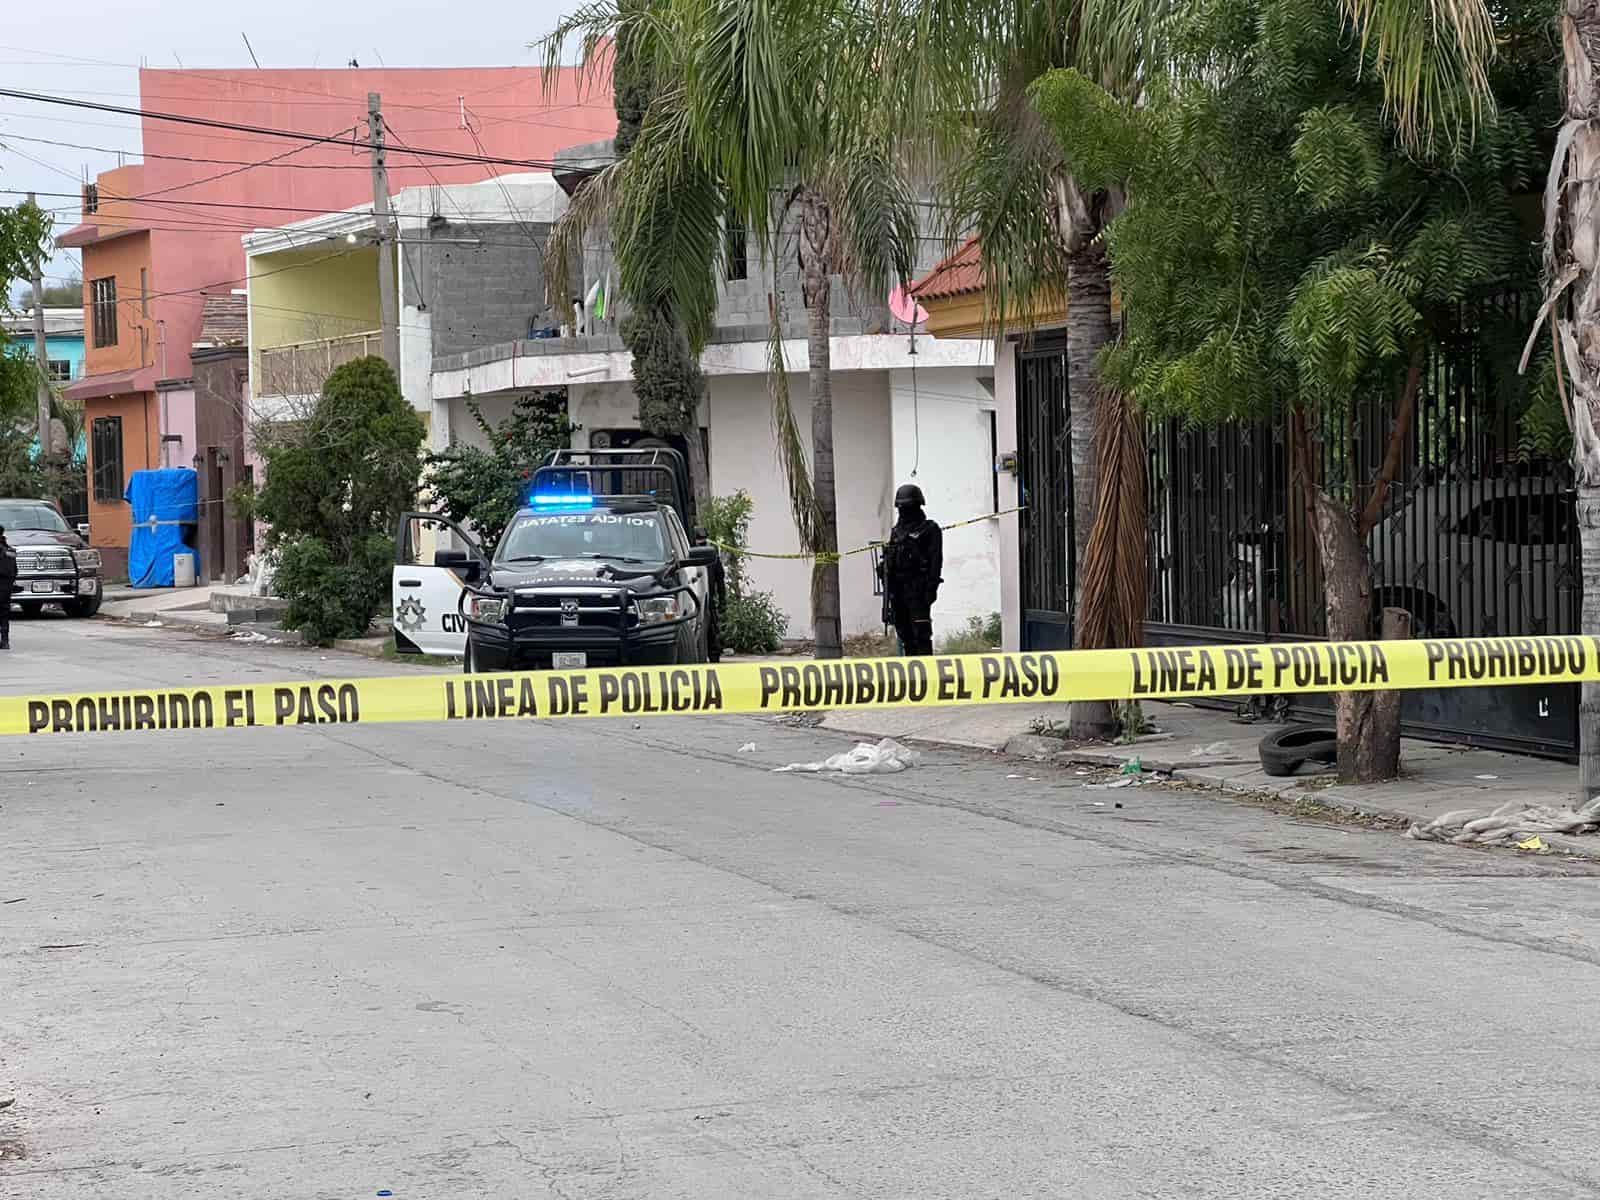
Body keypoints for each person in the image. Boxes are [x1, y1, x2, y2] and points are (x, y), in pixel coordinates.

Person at [883, 483, 942, 656]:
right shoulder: (896, 532)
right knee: (905, 634)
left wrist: (931, 589)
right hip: (898, 590)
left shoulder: (929, 529)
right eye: (902, 507)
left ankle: (926, 670)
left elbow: (936, 561)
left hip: (918, 590)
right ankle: (911, 669)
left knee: (921, 635)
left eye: (908, 507)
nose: (904, 511)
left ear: (917, 506)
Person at [0, 526, 15, 651]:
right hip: (6, 586)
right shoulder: (10, 550)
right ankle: (5, 641)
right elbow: (15, 570)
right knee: (4, 613)